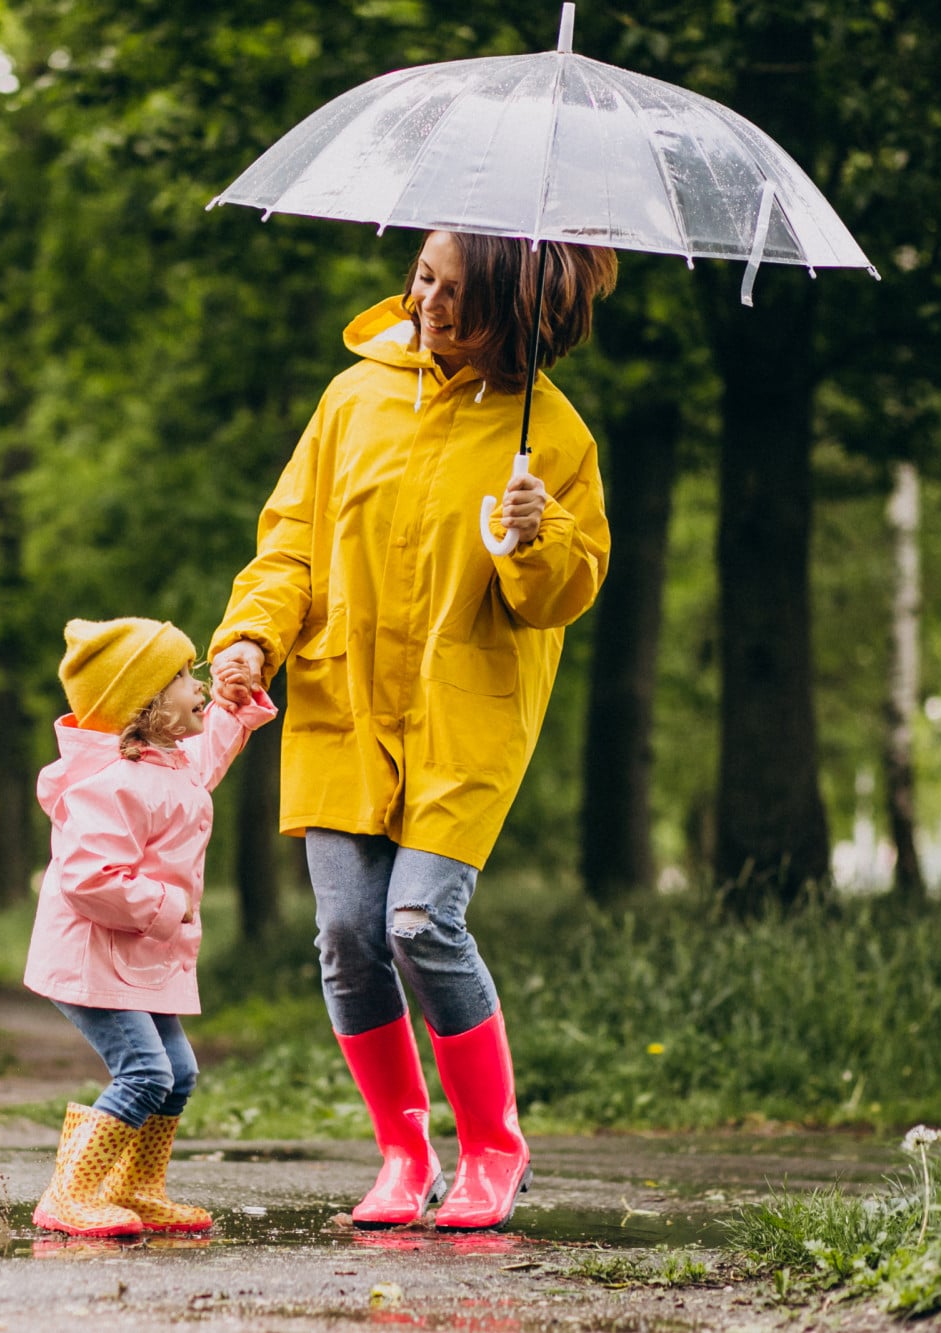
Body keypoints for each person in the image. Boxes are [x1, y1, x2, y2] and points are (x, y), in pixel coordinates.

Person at [208, 230, 617, 1232]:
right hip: (343, 706)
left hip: (461, 715)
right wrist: (251, 637)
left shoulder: (553, 437)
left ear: (511, 310)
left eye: (457, 293)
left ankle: (493, 1147)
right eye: (423, 279)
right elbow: (290, 547)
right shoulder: (352, 399)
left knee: (419, 922)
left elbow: (559, 597)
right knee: (348, 938)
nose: (429, 302)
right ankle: (402, 1151)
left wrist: (538, 537)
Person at [24, 617, 277, 1237]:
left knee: (178, 1075)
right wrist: (168, 904)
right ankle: (68, 1195)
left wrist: (233, 708)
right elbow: (87, 877)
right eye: (184, 676)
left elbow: (207, 756)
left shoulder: (170, 764)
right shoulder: (113, 784)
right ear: (147, 706)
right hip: (91, 957)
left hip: (135, 957)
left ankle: (135, 1188)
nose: (199, 685)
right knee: (145, 1072)